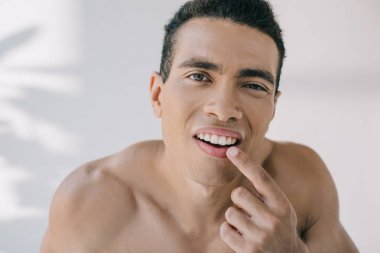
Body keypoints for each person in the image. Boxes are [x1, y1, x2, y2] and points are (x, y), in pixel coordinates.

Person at [40, 0, 359, 252]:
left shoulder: (303, 182)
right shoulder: (87, 203)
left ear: (273, 106)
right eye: (199, 76)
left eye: (253, 86)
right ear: (157, 95)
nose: (223, 109)